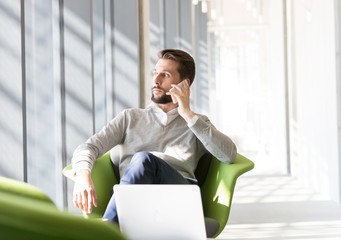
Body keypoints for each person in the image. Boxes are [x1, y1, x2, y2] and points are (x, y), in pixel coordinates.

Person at [71, 48, 237, 222]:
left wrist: (187, 114)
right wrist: (83, 176)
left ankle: (105, 232)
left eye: (165, 75)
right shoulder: (130, 117)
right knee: (141, 164)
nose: (156, 80)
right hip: (135, 199)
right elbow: (89, 147)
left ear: (184, 84)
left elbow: (229, 155)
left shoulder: (196, 123)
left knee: (144, 160)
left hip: (179, 199)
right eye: (155, 73)